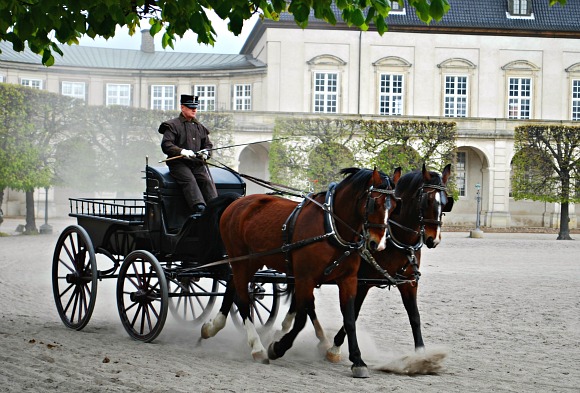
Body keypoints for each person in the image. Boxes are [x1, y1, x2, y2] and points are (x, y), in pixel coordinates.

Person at [158, 94, 218, 214]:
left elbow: (208, 145)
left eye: (195, 107)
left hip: (196, 163)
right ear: (182, 107)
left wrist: (206, 152)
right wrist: (182, 151)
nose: (194, 110)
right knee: (189, 180)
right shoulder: (172, 125)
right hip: (178, 164)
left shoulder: (200, 127)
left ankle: (215, 206)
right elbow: (167, 144)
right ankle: (198, 207)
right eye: (190, 107)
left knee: (206, 180)